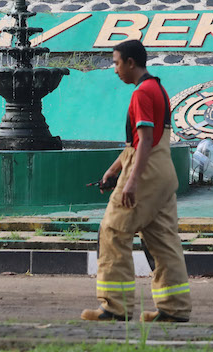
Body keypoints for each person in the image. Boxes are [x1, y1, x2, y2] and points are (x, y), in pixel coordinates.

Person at [81, 39, 191, 323]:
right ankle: (174, 308)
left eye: (116, 63)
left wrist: (130, 182)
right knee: (163, 239)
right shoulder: (158, 89)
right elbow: (141, 143)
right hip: (163, 172)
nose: (114, 69)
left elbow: (145, 141)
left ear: (131, 63)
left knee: (113, 230)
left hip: (146, 172)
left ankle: (115, 306)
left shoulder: (141, 93)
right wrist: (114, 169)